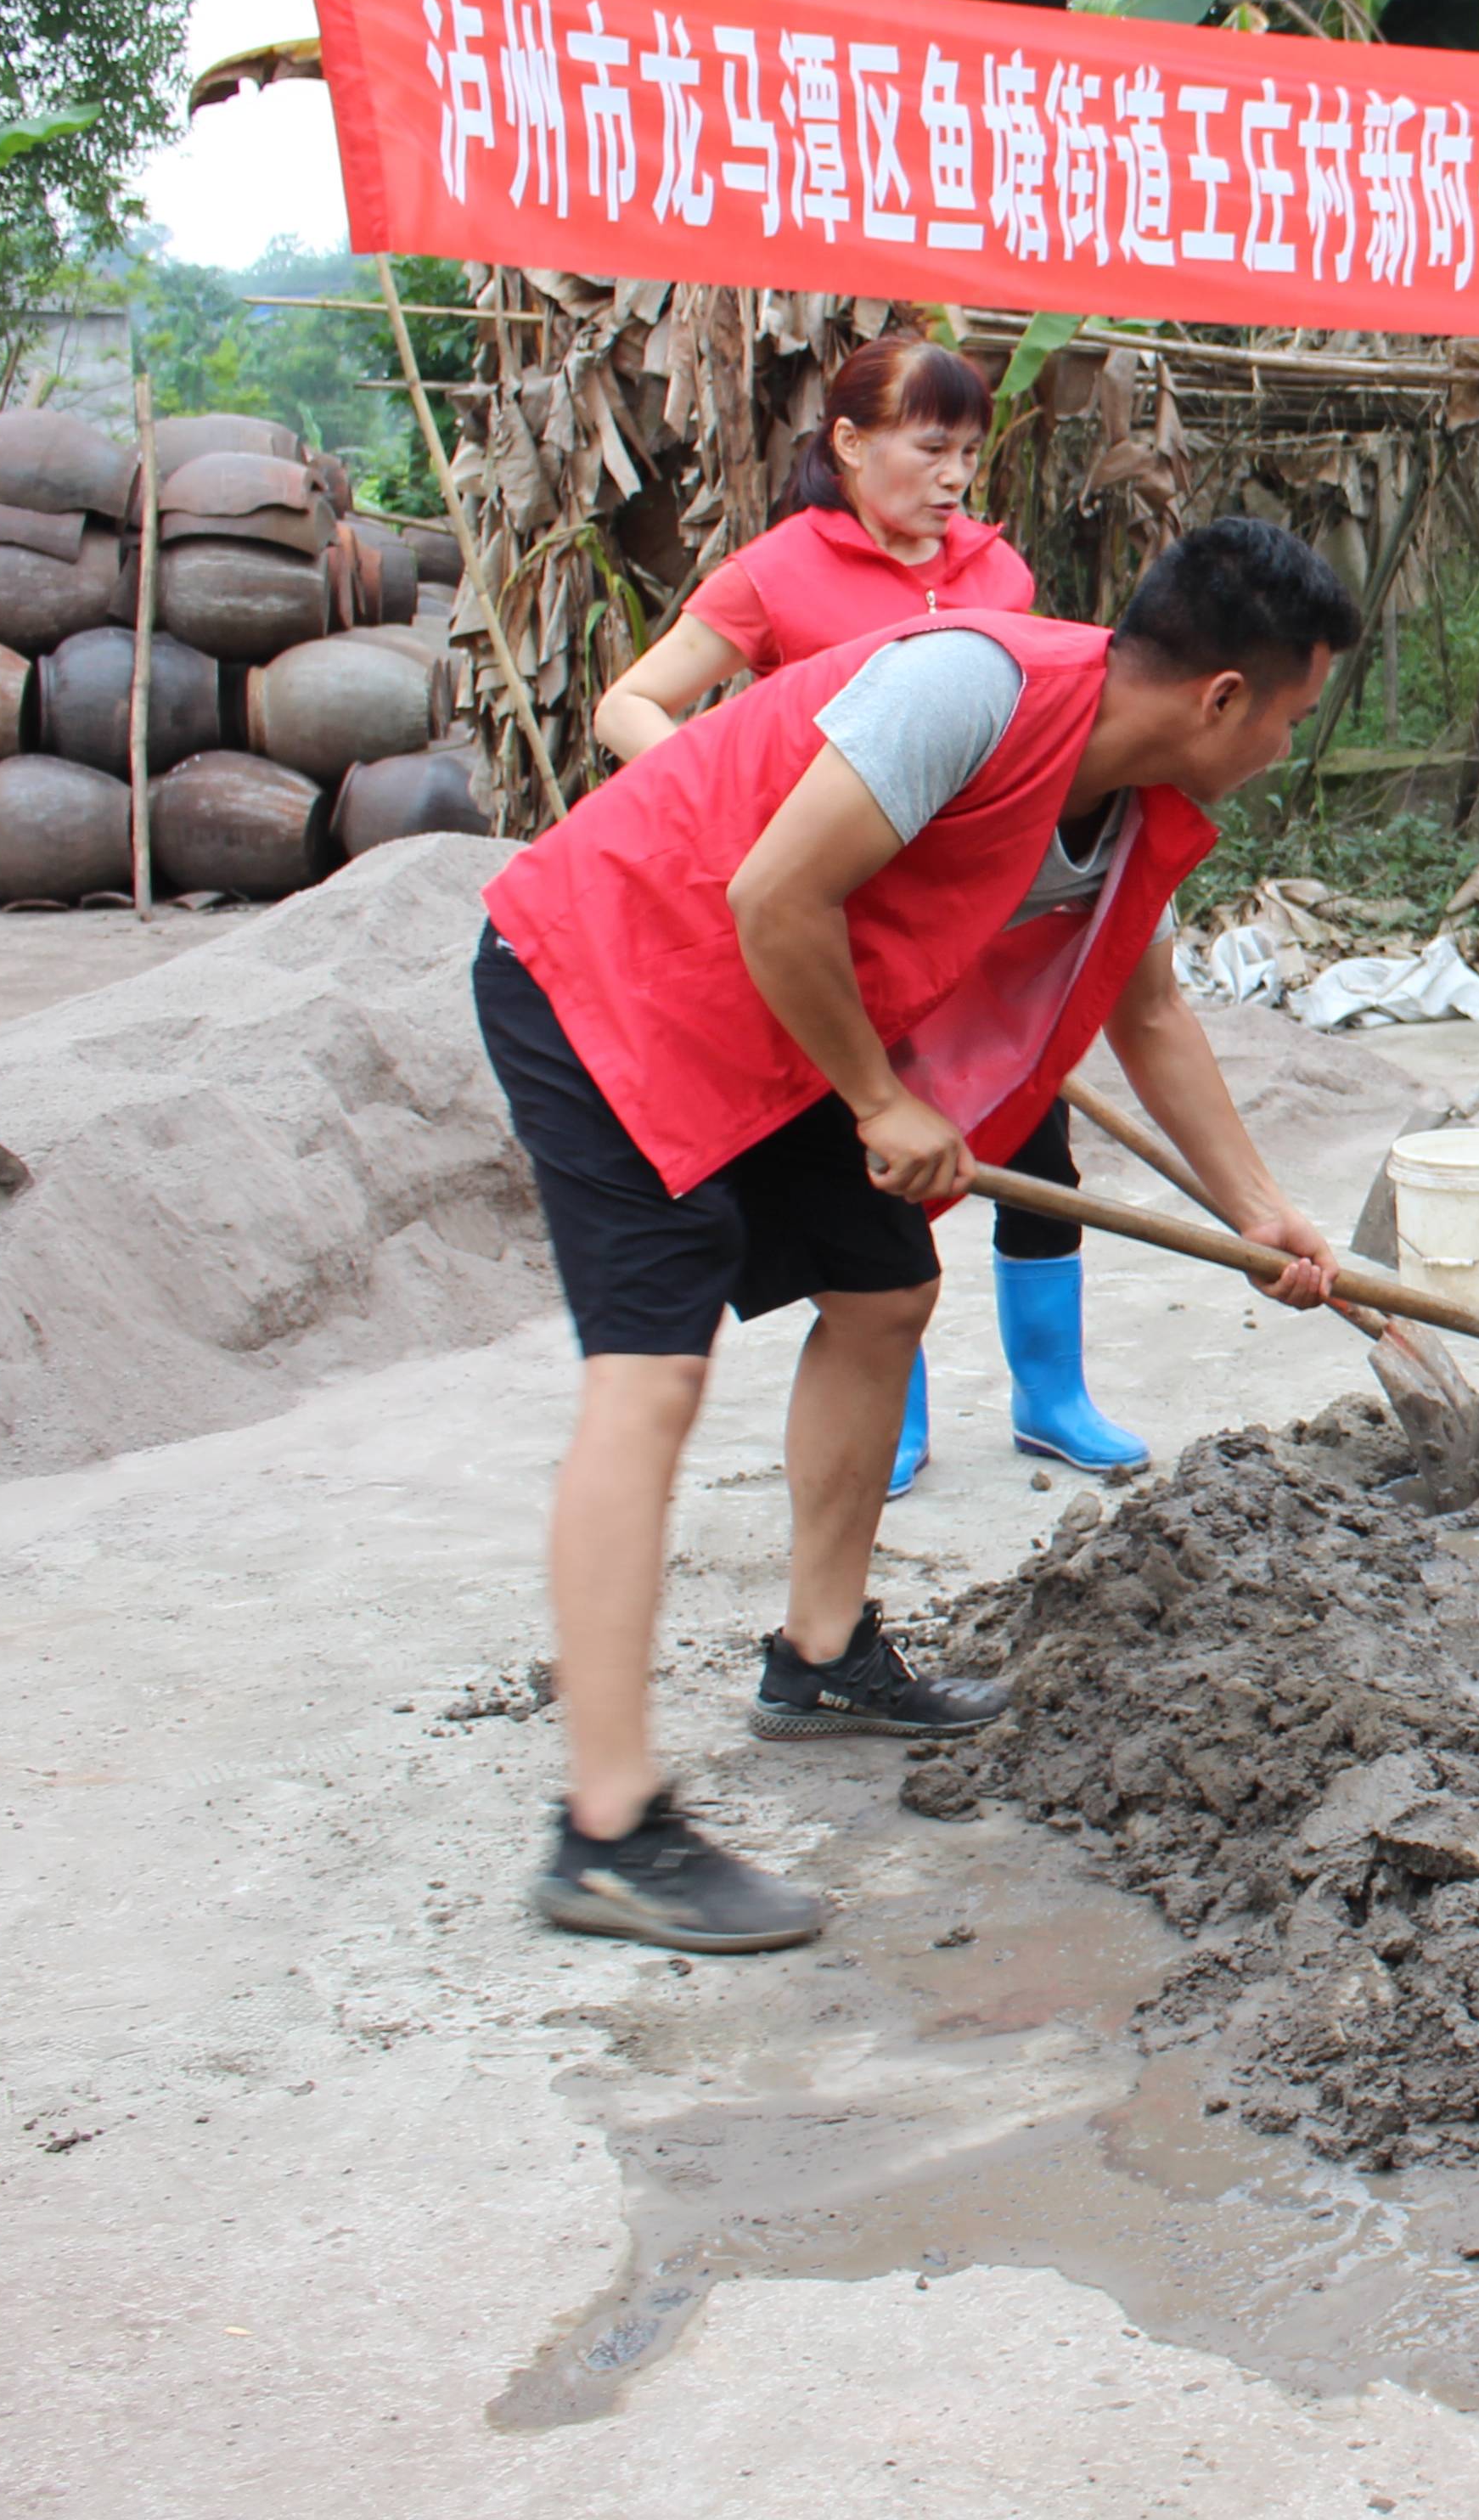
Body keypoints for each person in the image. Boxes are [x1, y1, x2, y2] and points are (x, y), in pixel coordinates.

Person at [481, 518, 1360, 1953]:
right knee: (648, 1378)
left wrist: (1258, 1214)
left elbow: (1144, 1013)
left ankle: (819, 1662)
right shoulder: (971, 691)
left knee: (884, 1289)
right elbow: (773, 891)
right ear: (1220, 700)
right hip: (614, 972)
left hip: (781, 1008)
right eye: (1288, 717)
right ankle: (605, 1828)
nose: (1280, 749)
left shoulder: (1134, 801)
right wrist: (879, 1100)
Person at [594, 335, 1146, 1495]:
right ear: (846, 444)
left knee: (1036, 1147)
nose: (954, 478)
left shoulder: (1000, 577)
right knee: (877, 1177)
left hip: (981, 930)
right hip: (840, 933)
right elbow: (628, 705)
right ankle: (886, 1412)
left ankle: (1055, 1399)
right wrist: (739, 817)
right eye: (929, 448)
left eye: (968, 453)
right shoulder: (776, 574)